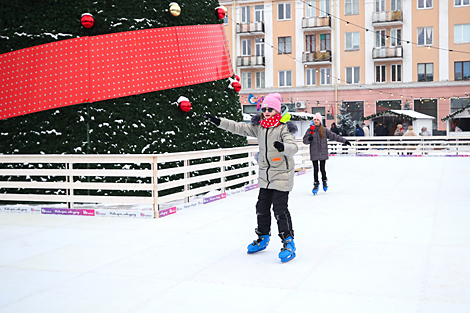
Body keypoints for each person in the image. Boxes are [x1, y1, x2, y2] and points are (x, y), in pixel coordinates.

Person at [203, 93, 298, 263]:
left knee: (280, 210)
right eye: (264, 109)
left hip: (282, 175)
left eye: (270, 109)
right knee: (261, 207)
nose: (266, 111)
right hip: (265, 176)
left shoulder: (283, 128)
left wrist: (283, 147)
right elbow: (239, 127)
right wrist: (219, 122)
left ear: (276, 110)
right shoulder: (259, 127)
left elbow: (293, 147)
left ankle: (288, 242)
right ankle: (263, 236)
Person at [303, 113, 351, 195]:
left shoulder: (324, 130)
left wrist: (345, 141)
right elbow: (305, 141)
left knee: (322, 168)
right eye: (314, 120)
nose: (316, 121)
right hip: (314, 152)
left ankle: (324, 181)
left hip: (323, 152)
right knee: (315, 169)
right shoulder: (310, 130)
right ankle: (316, 183)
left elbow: (335, 136)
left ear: (320, 121)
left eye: (317, 120)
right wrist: (309, 139)